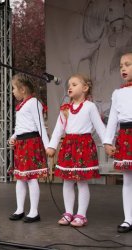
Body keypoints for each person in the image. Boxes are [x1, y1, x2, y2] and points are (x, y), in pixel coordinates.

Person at [46, 74, 105, 227]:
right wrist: (52, 146)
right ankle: (68, 212)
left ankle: (81, 215)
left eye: (74, 84)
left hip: (84, 146)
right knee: (67, 181)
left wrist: (107, 143)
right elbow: (59, 128)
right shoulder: (65, 108)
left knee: (81, 181)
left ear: (85, 88)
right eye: (69, 84)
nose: (69, 87)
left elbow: (100, 127)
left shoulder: (90, 107)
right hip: (68, 146)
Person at [8, 73, 49, 223]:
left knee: (31, 178)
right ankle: (20, 209)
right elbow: (21, 126)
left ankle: (34, 211)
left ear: (23, 89)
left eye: (14, 88)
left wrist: (47, 146)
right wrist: (14, 137)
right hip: (22, 144)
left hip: (31, 142)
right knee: (20, 178)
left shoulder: (34, 103)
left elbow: (39, 125)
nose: (12, 91)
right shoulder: (21, 105)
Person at [104, 52, 132, 233]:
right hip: (126, 136)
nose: (123, 68)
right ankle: (128, 218)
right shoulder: (118, 93)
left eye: (128, 64)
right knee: (127, 179)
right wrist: (107, 140)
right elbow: (113, 118)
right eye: (121, 65)